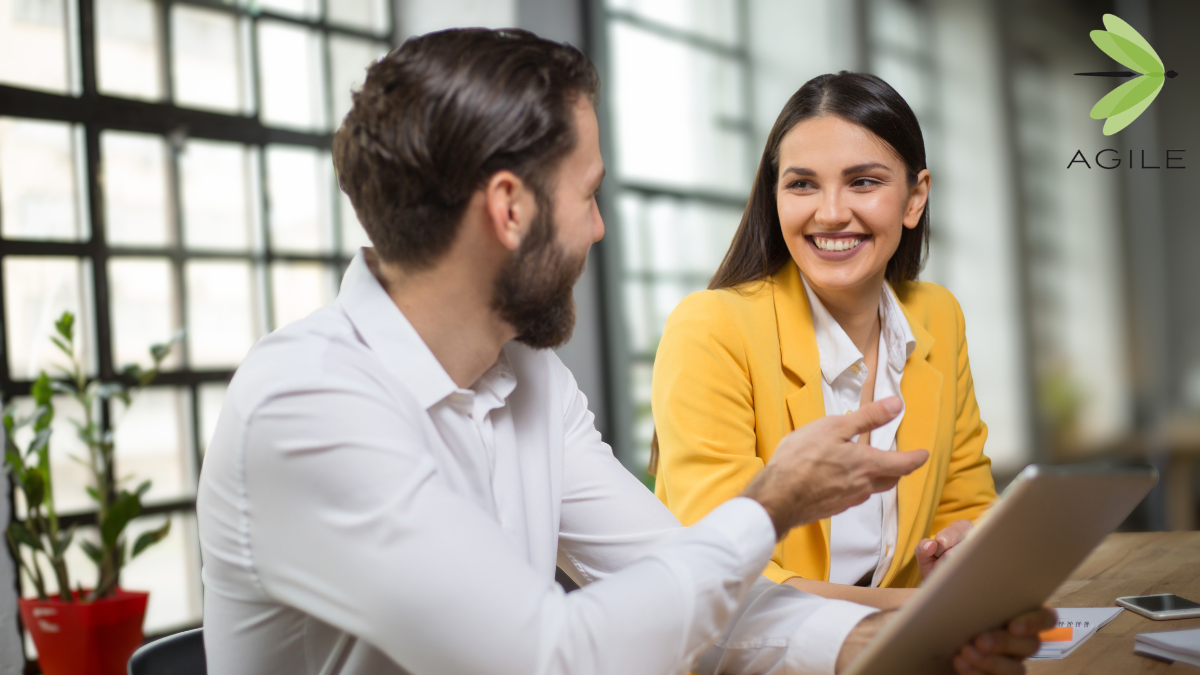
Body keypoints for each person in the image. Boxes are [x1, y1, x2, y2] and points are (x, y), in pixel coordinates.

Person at [197, 31, 1049, 675]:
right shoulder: (306, 403)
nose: (601, 228)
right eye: (589, 195)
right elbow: (550, 656)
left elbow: (695, 594)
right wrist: (770, 505)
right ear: (510, 209)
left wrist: (906, 637)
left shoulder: (531, 378)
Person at [651, 72, 996, 612]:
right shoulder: (711, 329)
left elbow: (967, 499)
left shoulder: (938, 316)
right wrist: (918, 612)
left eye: (863, 182)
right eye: (802, 184)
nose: (830, 212)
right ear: (775, 196)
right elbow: (724, 572)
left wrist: (959, 547)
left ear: (915, 197)